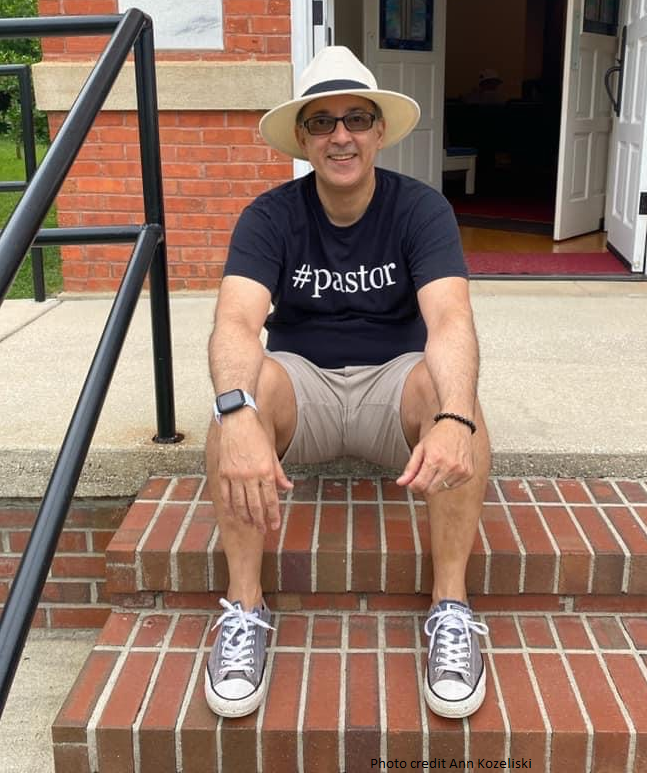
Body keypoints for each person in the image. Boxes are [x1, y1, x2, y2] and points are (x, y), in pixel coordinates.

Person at [204, 46, 491, 722]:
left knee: (460, 402)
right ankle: (244, 609)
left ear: (379, 131)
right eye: (323, 122)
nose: (341, 136)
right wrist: (236, 413)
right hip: (303, 388)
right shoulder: (270, 215)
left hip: (394, 386)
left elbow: (451, 318)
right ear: (302, 137)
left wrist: (454, 417)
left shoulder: (420, 209)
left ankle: (451, 607)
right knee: (237, 402)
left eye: (357, 119)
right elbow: (236, 321)